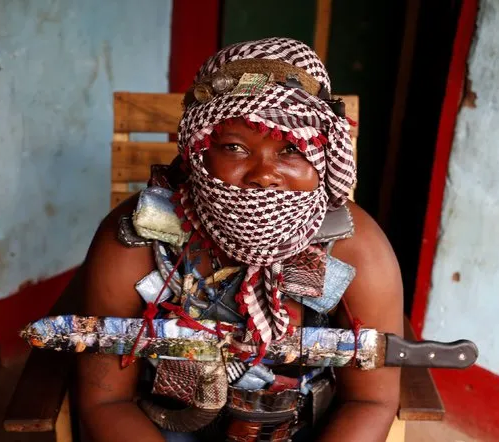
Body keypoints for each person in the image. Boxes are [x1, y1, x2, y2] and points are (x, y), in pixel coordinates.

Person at [76, 37, 403, 442]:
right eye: (234, 147)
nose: (264, 174)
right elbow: (106, 400)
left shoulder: (354, 247)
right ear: (198, 151)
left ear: (323, 158)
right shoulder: (139, 237)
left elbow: (370, 400)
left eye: (292, 150)